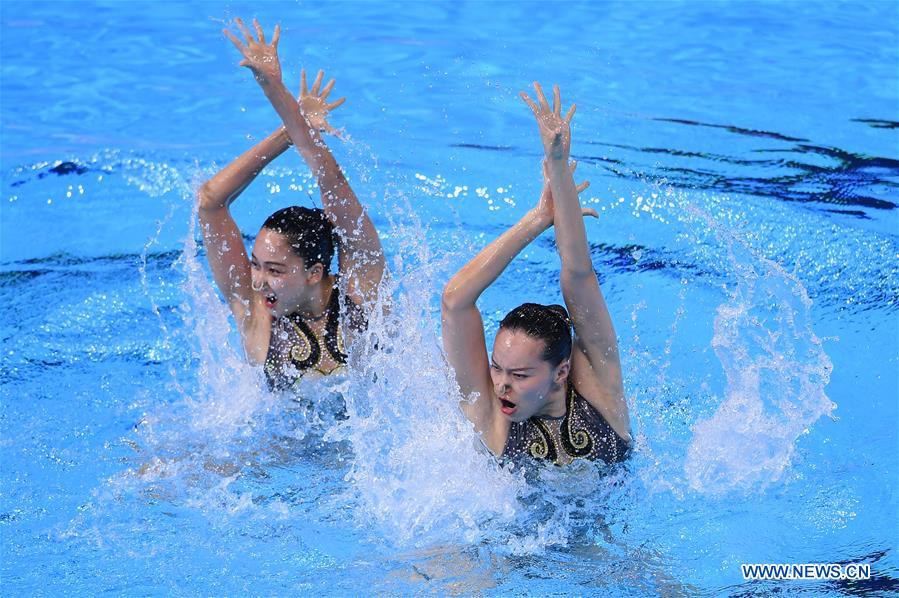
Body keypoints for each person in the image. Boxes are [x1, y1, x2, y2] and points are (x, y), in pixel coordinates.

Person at [441, 83, 631, 466]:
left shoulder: (603, 397)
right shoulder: (493, 419)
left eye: (521, 375)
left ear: (561, 372)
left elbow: (579, 274)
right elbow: (455, 301)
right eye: (497, 368)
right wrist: (535, 220)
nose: (501, 385)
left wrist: (558, 164)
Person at [198, 18, 385, 390]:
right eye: (256, 265)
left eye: (275, 270)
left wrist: (274, 90)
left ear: (314, 272)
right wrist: (287, 132)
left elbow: (331, 180)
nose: (259, 280)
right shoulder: (255, 313)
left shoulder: (361, 294)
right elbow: (210, 202)